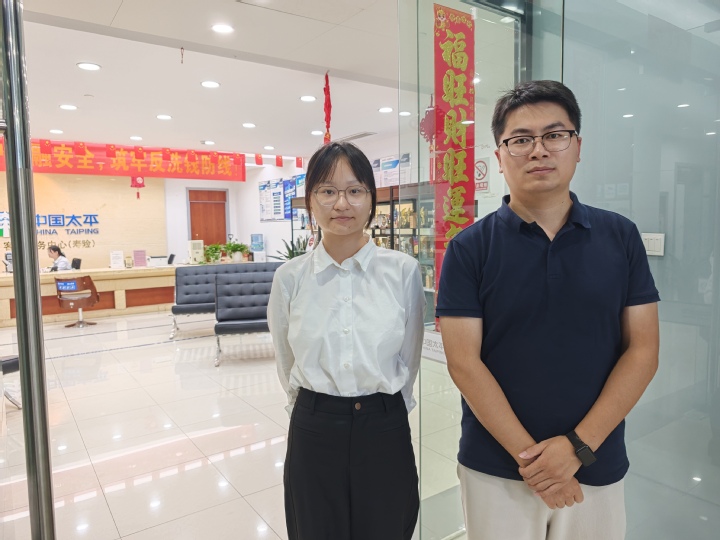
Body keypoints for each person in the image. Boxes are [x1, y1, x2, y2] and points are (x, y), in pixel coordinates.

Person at [436, 80, 660, 540]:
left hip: (595, 461)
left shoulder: (621, 236)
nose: (538, 150)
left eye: (555, 135)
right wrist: (536, 464)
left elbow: (643, 351)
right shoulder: (468, 248)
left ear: (577, 146)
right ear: (499, 156)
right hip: (496, 467)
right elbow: (463, 362)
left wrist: (576, 449)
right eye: (520, 140)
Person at [268, 141, 425, 540]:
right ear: (310, 201)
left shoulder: (403, 271)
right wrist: (310, 407)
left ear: (371, 199)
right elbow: (286, 358)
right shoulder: (290, 277)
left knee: (388, 528)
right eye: (327, 191)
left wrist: (388, 410)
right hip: (314, 428)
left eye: (355, 190)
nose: (342, 203)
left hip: (384, 426)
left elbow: (409, 356)